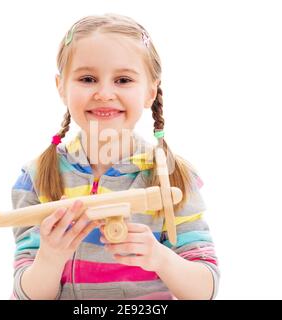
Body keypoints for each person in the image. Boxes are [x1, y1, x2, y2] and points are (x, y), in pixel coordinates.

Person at [11, 13, 219, 300]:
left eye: (122, 80)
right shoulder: (36, 178)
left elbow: (205, 290)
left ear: (150, 92)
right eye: (87, 79)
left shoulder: (175, 176)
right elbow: (27, 295)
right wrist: (50, 258)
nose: (104, 93)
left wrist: (159, 257)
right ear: (61, 87)